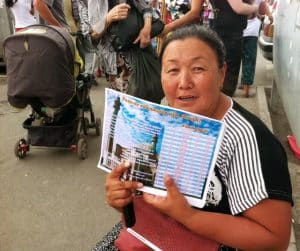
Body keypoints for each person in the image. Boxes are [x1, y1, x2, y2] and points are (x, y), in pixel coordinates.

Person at [103, 25, 293, 250]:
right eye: (172, 70)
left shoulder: (248, 140)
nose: (184, 82)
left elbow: (275, 238)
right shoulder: (162, 117)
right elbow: (147, 194)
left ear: (222, 74)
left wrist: (189, 217)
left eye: (198, 68)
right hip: (152, 231)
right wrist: (122, 197)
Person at [88, 0, 163, 103]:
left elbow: (147, 8)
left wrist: (147, 27)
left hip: (139, 53)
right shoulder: (93, 2)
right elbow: (92, 37)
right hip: (115, 65)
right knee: (123, 108)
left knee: (148, 99)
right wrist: (108, 18)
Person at [209, 0, 258, 97]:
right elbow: (239, 8)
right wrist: (255, 8)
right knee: (228, 75)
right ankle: (223, 105)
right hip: (229, 34)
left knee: (223, 72)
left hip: (225, 31)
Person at [240, 0, 273, 97]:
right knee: (249, 59)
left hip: (237, 29)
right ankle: (246, 87)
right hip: (252, 31)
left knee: (236, 58)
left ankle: (235, 85)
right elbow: (263, 5)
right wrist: (270, 16)